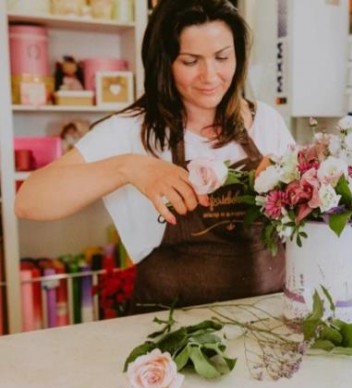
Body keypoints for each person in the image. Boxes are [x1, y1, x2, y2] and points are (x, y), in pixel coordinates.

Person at [14, 0, 294, 313]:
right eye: (190, 61)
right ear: (164, 62)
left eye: (222, 57)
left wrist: (291, 187)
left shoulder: (267, 122)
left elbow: (306, 223)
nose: (210, 75)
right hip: (170, 335)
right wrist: (129, 168)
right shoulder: (132, 130)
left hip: (269, 325)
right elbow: (28, 200)